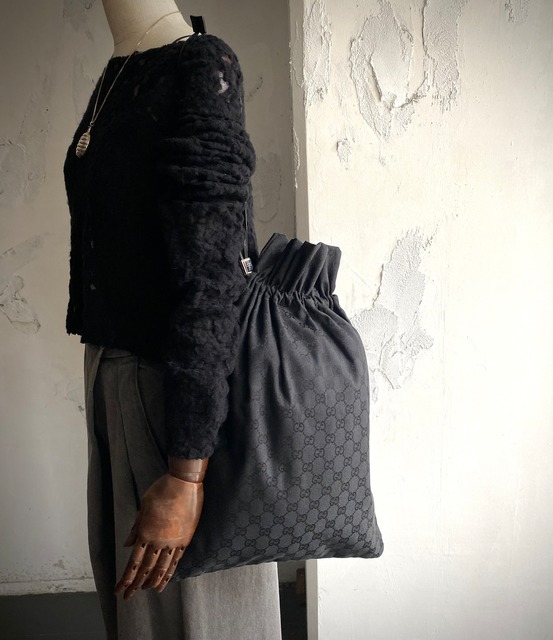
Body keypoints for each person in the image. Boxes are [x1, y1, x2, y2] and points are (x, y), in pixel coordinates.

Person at [63, 1, 282, 638]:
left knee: (200, 613)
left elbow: (213, 276)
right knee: (139, 612)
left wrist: (188, 472)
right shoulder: (121, 70)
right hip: (114, 376)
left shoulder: (200, 64)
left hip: (174, 388)